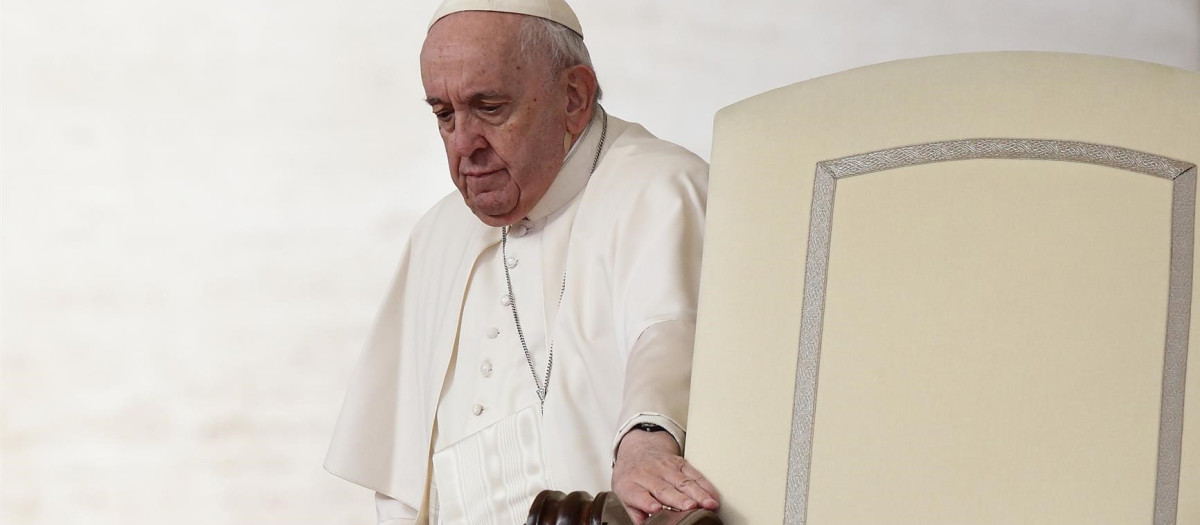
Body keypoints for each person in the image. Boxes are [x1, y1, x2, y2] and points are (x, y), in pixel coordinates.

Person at [324, 1, 719, 523]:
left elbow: (669, 332)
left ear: (573, 97)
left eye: (488, 107)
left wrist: (645, 446)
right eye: (444, 115)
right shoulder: (439, 234)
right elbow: (404, 474)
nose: (464, 145)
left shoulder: (661, 186)